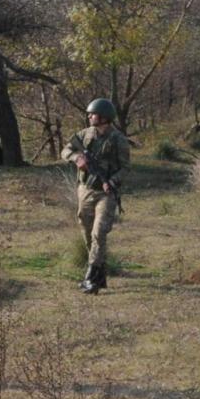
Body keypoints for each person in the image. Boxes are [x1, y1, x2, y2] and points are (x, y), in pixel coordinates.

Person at [61, 98, 130, 295]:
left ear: (104, 117)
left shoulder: (118, 140)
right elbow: (65, 150)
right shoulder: (84, 134)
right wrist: (77, 158)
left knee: (99, 233)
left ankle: (90, 278)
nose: (89, 116)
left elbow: (126, 168)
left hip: (106, 194)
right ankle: (100, 274)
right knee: (86, 229)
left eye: (93, 114)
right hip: (85, 190)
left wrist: (113, 182)